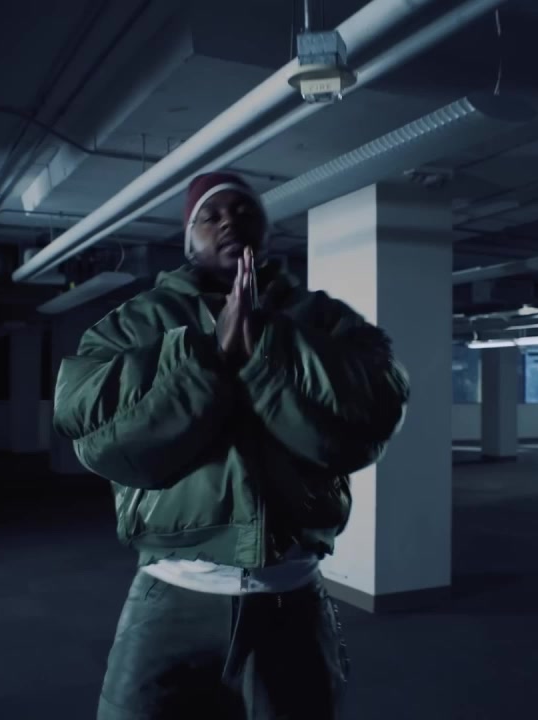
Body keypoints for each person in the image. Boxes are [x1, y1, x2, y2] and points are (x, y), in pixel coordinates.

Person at [52, 170, 411, 719]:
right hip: (171, 592)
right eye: (211, 215)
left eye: (244, 212)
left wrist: (267, 343)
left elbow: (376, 409)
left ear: (266, 231)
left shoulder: (323, 318)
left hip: (292, 592)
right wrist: (207, 356)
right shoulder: (138, 320)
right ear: (188, 239)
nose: (229, 223)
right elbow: (90, 425)